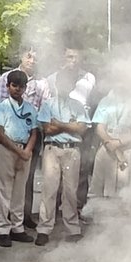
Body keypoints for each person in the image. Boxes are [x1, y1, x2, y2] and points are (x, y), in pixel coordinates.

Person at [35, 55, 91, 245]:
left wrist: (59, 124)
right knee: (49, 190)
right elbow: (47, 129)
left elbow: (82, 128)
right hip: (52, 149)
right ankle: (44, 228)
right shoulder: (48, 104)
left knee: (70, 191)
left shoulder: (78, 105)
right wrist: (70, 125)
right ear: (57, 84)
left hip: (72, 150)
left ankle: (72, 227)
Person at [0, 70, 38, 247]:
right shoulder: (2, 107)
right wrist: (19, 152)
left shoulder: (29, 108)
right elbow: (0, 134)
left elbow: (34, 132)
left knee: (20, 191)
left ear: (26, 88)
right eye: (14, 85)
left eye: (21, 86)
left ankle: (17, 227)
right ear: (8, 86)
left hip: (25, 149)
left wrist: (26, 151)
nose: (18, 89)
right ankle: (3, 229)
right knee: (4, 190)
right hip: (7, 149)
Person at [91, 82, 131, 198]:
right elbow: (99, 128)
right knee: (98, 187)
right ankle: (99, 212)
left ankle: (120, 214)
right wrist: (110, 143)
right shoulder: (106, 101)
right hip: (107, 146)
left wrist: (118, 143)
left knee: (123, 189)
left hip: (127, 149)